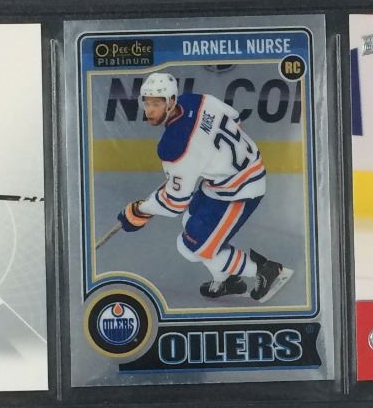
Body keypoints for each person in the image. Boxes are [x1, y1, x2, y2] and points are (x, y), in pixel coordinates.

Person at [111, 70, 291, 302]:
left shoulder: (174, 145)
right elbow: (235, 118)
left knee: (191, 247)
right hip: (224, 181)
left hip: (239, 190)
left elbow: (174, 203)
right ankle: (228, 280)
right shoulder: (194, 100)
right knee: (191, 223)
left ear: (171, 101)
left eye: (157, 103)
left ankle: (265, 270)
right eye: (146, 103)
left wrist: (139, 210)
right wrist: (210, 157)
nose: (150, 110)